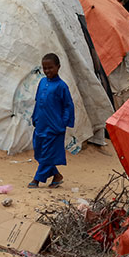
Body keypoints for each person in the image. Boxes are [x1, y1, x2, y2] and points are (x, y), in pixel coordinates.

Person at [28, 53, 74, 189]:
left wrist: (63, 123)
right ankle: (57, 176)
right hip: (41, 125)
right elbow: (38, 102)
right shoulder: (42, 82)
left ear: (58, 67)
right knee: (40, 152)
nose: (47, 71)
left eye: (50, 68)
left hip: (54, 127)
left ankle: (37, 179)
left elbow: (68, 106)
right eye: (45, 68)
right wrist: (35, 117)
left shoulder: (62, 86)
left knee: (47, 153)